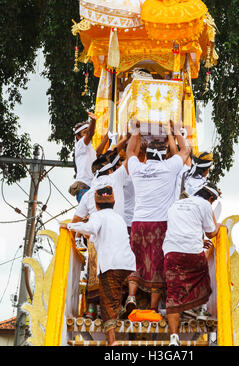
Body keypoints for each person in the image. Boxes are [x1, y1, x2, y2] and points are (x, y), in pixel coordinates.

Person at [124, 120, 191, 315]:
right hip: (160, 224)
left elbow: (130, 153)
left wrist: (135, 131)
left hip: (138, 223)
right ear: (163, 157)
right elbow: (185, 151)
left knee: (135, 261)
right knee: (157, 265)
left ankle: (131, 296)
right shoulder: (168, 167)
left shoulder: (137, 167)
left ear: (147, 157)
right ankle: (153, 308)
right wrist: (176, 131)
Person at [65, 179, 136, 346]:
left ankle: (112, 341)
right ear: (113, 203)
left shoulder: (98, 216)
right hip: (128, 264)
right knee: (117, 295)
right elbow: (98, 235)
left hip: (111, 264)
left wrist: (72, 226)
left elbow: (89, 229)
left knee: (107, 303)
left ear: (96, 205)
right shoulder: (118, 218)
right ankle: (126, 309)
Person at [162, 181, 223, 346]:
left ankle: (174, 338)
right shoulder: (205, 205)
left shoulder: (177, 204)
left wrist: (198, 239)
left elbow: (181, 229)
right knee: (203, 277)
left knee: (173, 293)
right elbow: (211, 233)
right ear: (210, 198)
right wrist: (219, 225)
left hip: (171, 252)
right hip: (192, 253)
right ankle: (199, 310)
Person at [69, 113, 108, 204]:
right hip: (83, 187)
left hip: (91, 187)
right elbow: (90, 133)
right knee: (88, 214)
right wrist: (93, 121)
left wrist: (106, 137)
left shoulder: (88, 147)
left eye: (87, 132)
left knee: (91, 215)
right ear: (78, 137)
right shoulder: (80, 144)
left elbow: (97, 153)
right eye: (84, 133)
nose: (87, 135)